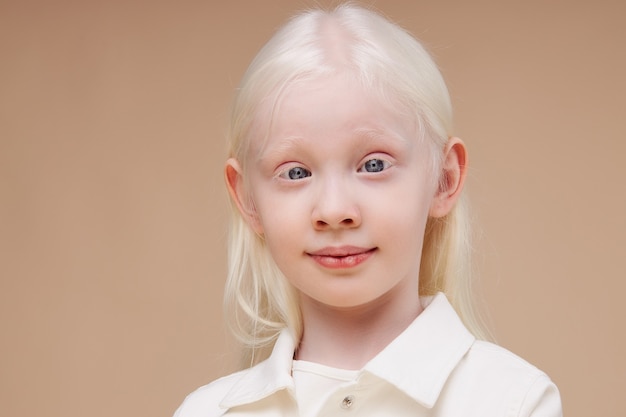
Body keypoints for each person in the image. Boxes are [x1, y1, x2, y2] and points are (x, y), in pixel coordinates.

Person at [174, 3, 562, 416]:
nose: (335, 210)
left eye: (373, 165)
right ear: (247, 199)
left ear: (444, 179)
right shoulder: (207, 411)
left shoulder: (513, 401)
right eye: (295, 172)